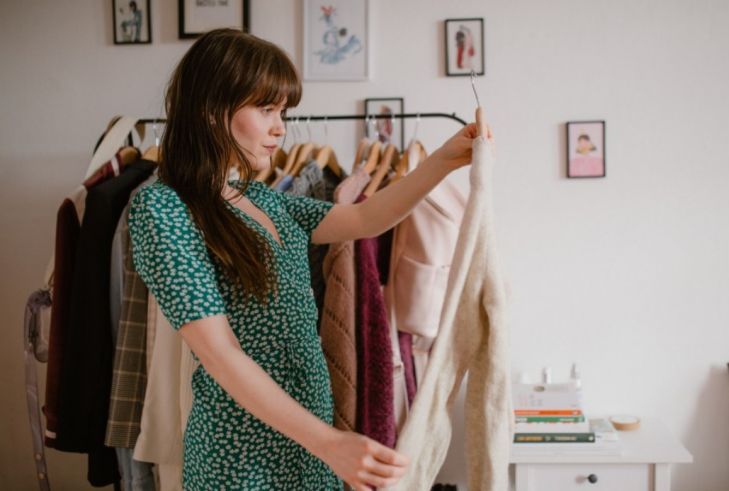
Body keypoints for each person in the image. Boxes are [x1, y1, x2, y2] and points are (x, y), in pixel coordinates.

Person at [128, 28, 492, 490]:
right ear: (211, 110)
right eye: (266, 109)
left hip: (310, 436)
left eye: (282, 112)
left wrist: (444, 159)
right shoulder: (162, 207)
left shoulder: (260, 198)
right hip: (240, 454)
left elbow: (365, 219)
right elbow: (219, 354)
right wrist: (330, 443)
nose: (280, 127)